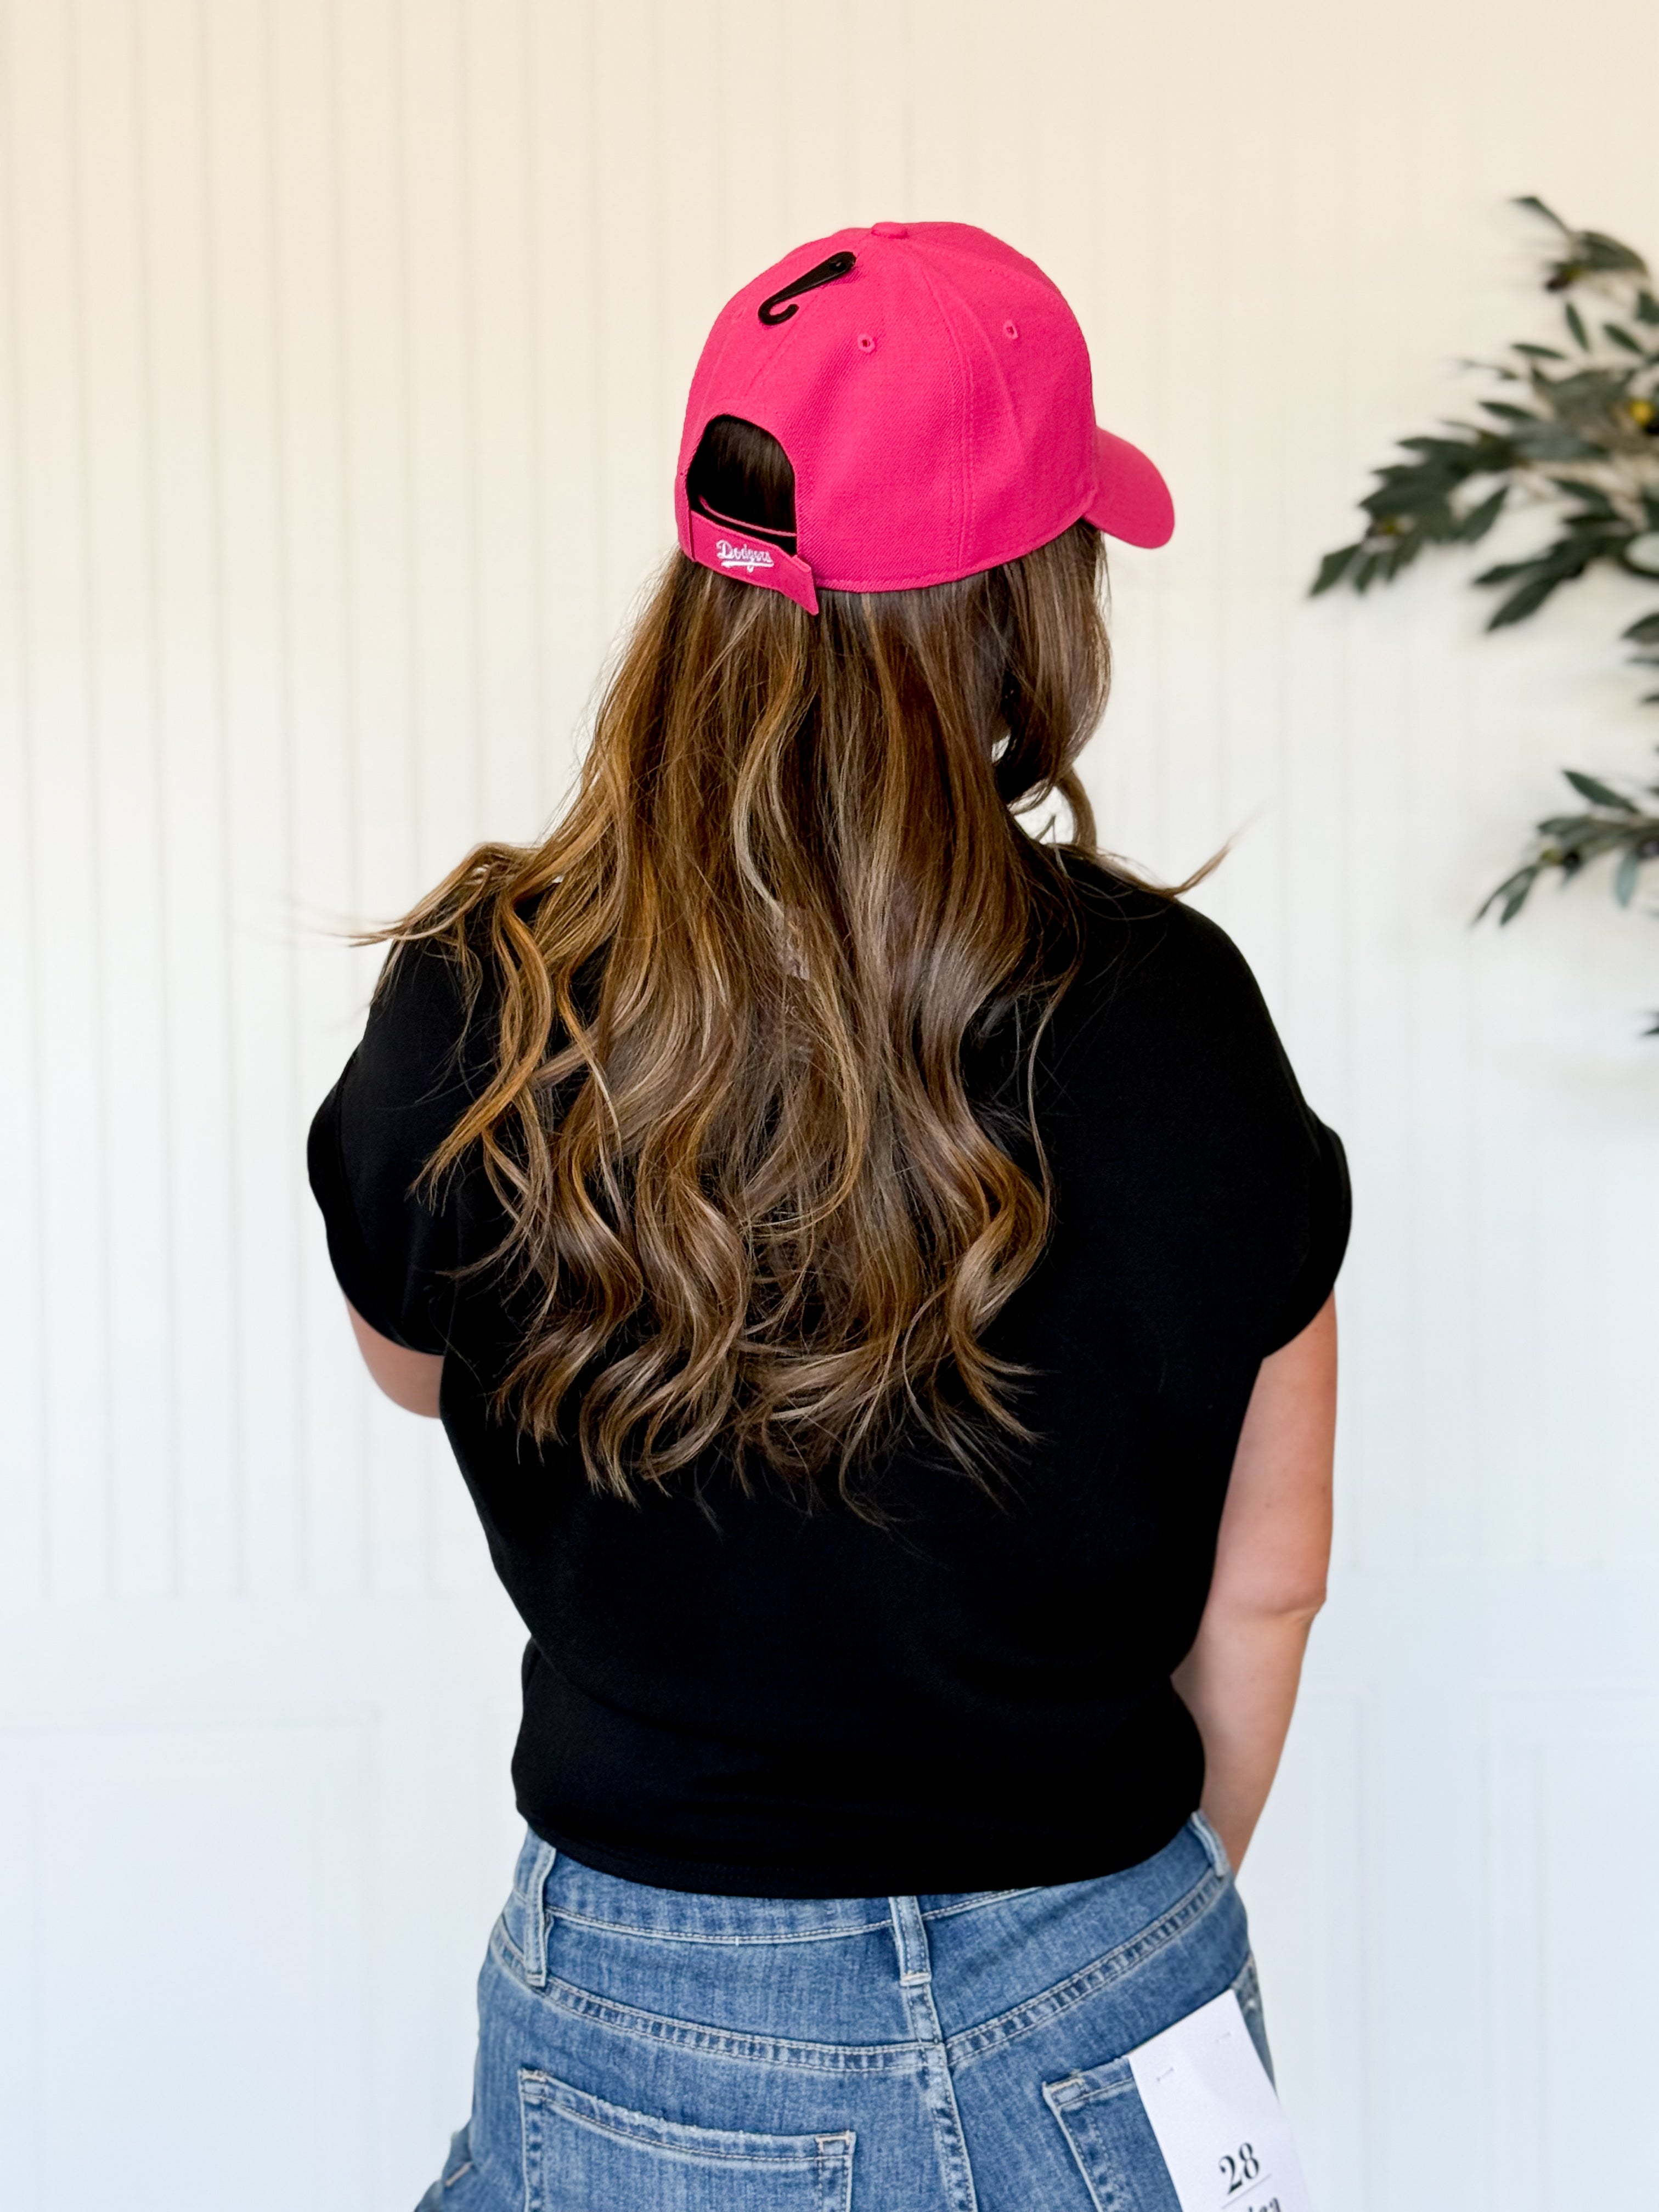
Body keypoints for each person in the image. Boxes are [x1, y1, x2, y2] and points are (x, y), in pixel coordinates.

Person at [308, 221, 1348, 2212]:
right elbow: (1270, 1583)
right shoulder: (1178, 1017)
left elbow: (415, 1364)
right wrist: (1110, 1926)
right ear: (1030, 611)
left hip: (649, 2004)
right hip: (1103, 1966)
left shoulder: (484, 998)